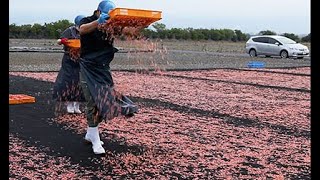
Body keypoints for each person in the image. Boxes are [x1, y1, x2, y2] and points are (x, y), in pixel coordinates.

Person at [78, 0, 138, 155]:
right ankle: (95, 140)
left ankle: (91, 133)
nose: (109, 17)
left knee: (106, 95)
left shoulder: (112, 25)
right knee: (93, 100)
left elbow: (127, 33)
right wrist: (98, 22)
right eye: (107, 14)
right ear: (98, 11)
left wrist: (138, 25)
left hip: (103, 67)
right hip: (88, 67)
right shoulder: (88, 21)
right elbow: (82, 30)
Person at [52, 15, 86, 114]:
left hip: (81, 59)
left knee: (80, 81)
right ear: (76, 25)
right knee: (69, 80)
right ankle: (69, 104)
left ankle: (77, 105)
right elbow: (58, 41)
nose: (80, 28)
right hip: (69, 59)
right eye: (79, 26)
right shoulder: (69, 31)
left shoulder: (86, 31)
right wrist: (64, 41)